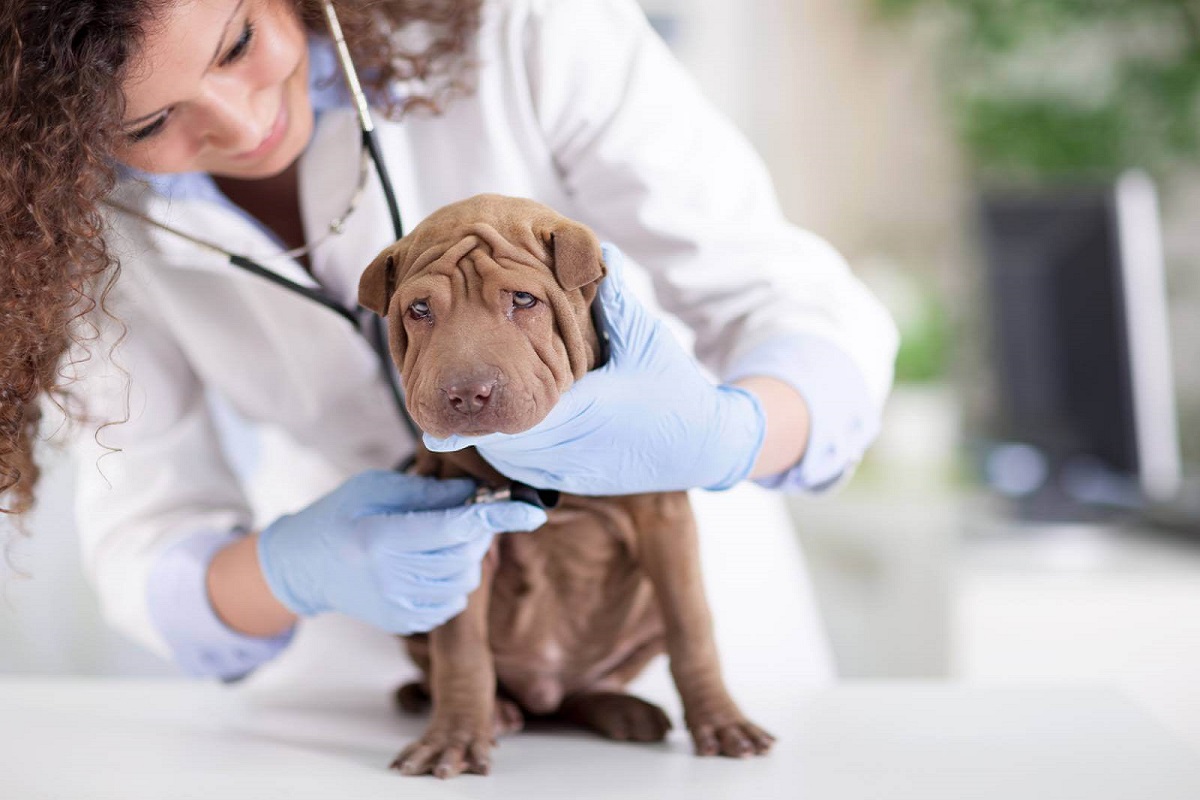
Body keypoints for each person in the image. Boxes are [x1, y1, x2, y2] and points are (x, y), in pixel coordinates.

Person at [0, 0, 898, 681]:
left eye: (238, 41)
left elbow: (791, 302)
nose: (239, 124)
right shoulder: (74, 225)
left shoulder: (523, 28)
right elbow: (144, 537)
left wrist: (730, 432)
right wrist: (296, 570)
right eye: (147, 123)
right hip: (395, 654)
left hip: (657, 612)